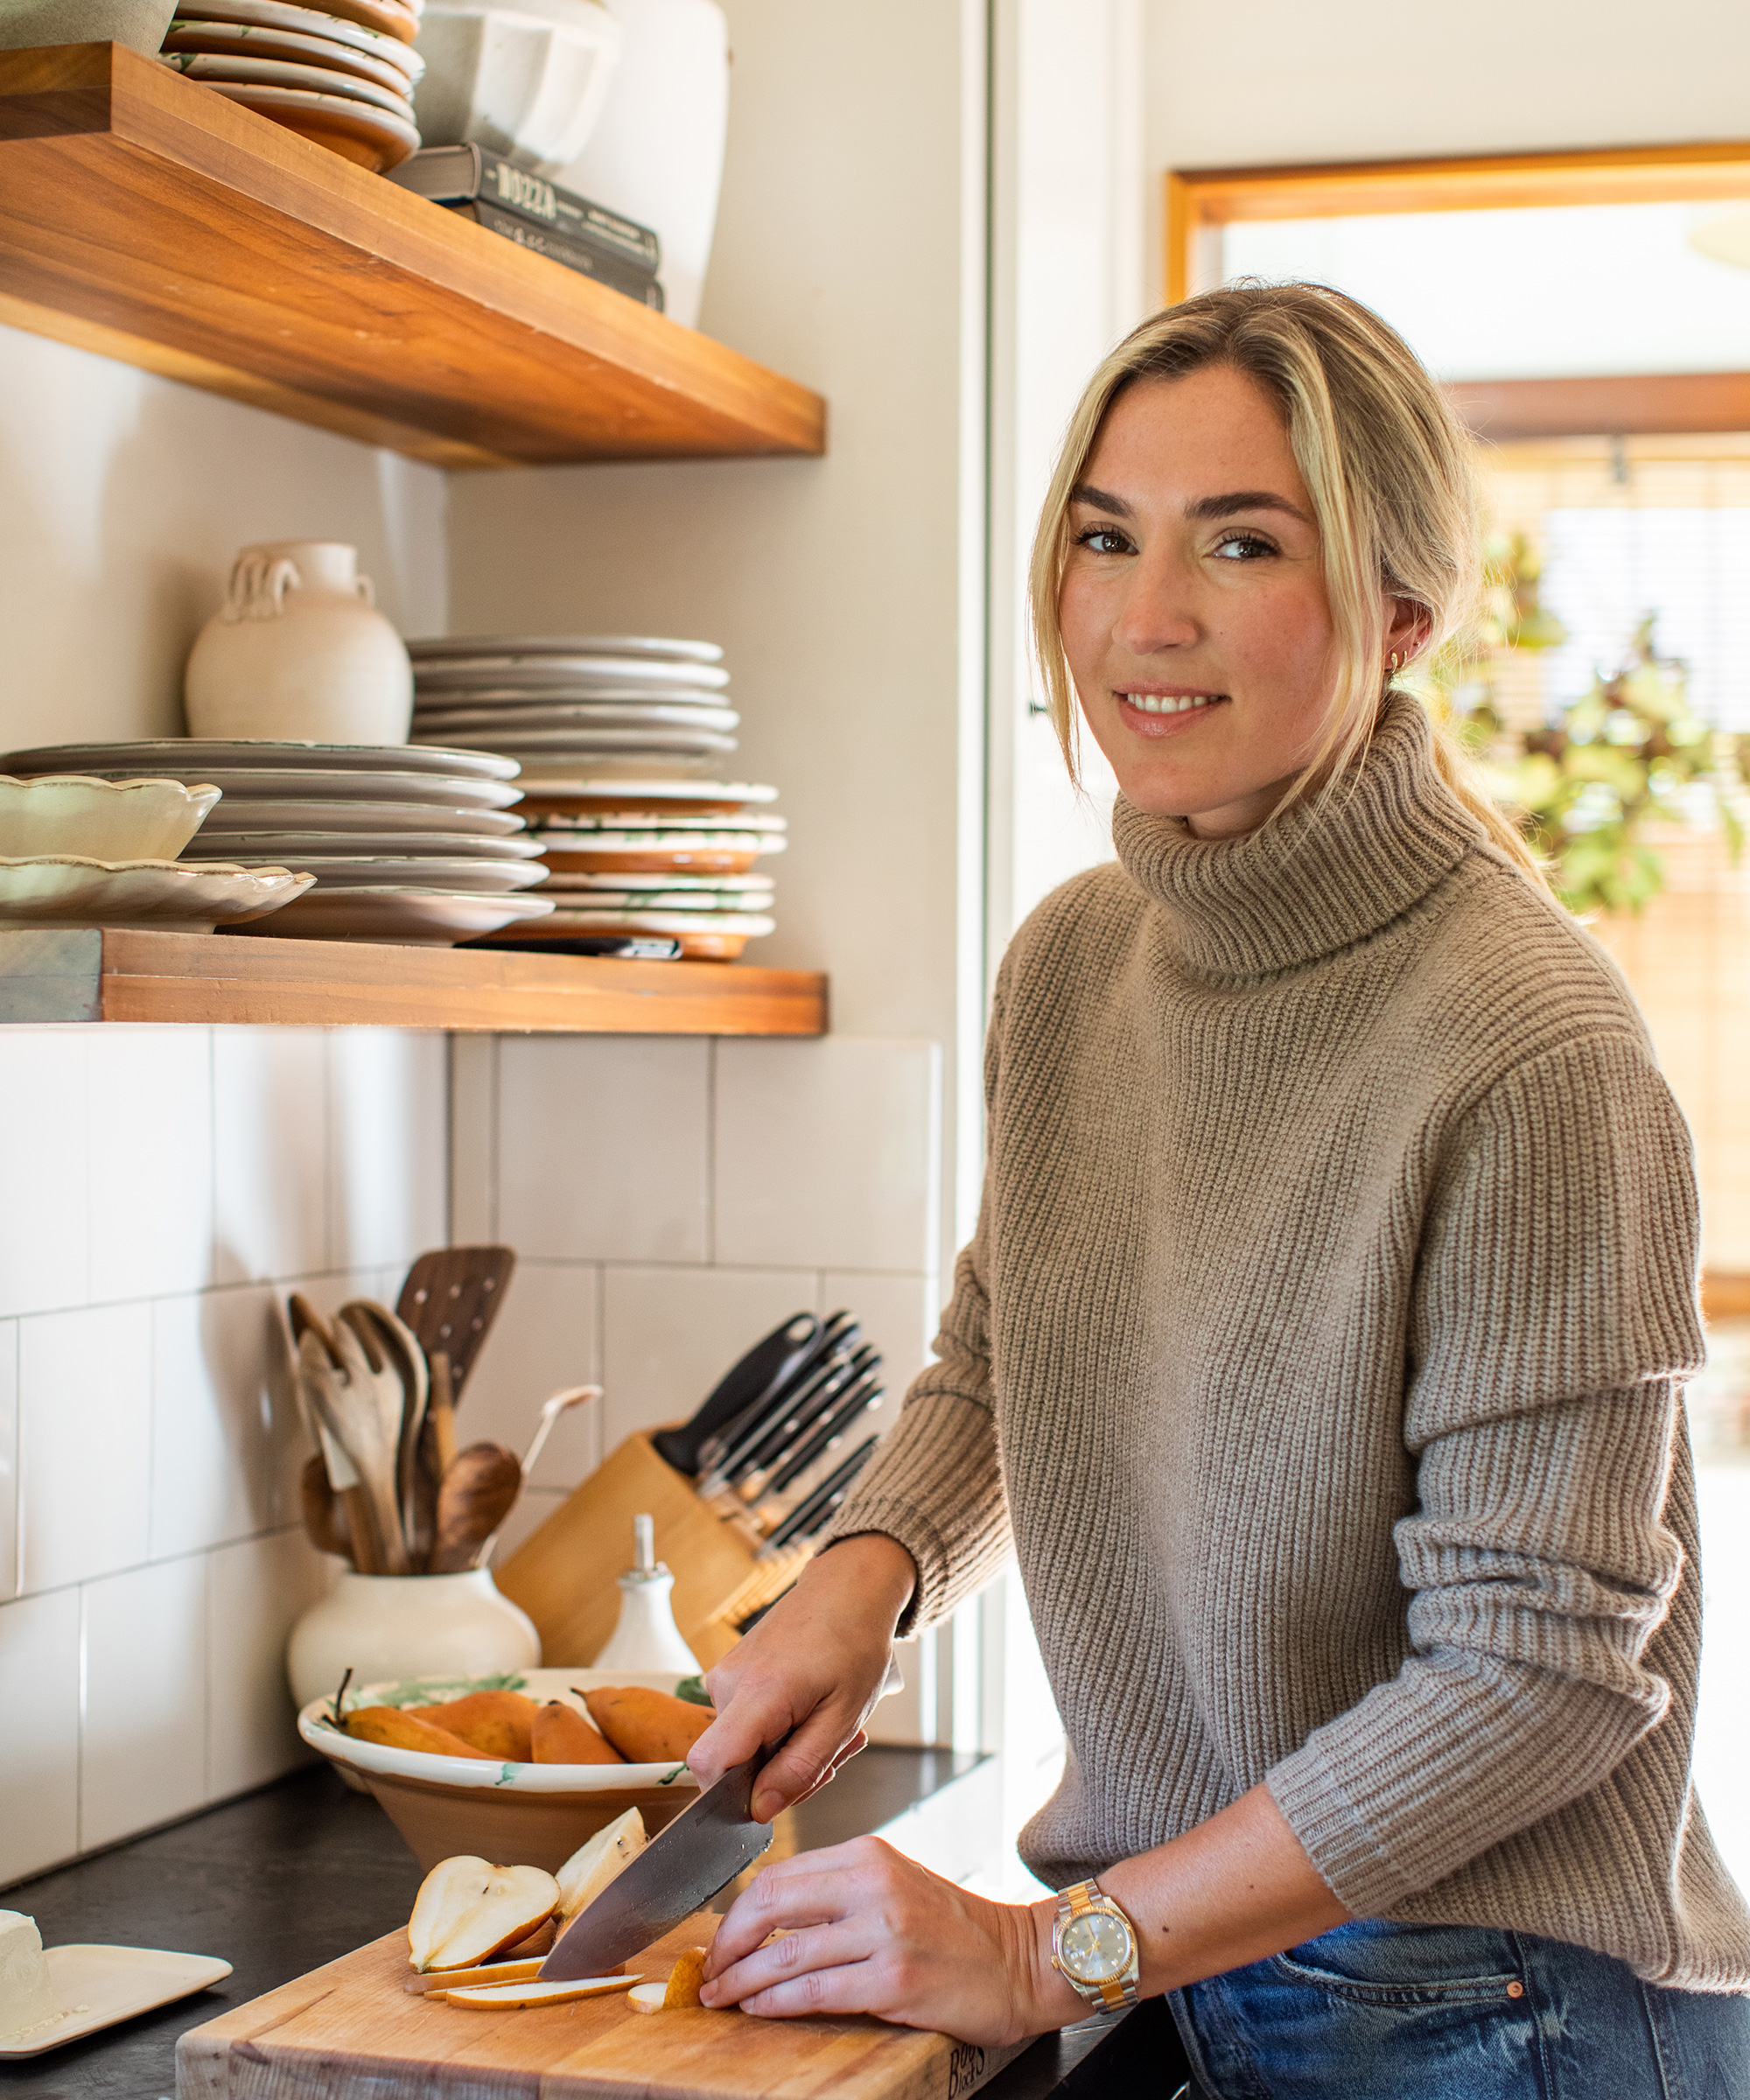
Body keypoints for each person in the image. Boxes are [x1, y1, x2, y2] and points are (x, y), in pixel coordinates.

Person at [686, 282, 1750, 2097]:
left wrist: (1051, 1952)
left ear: (1400, 610)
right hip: (1193, 1960)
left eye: (1240, 542)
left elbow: (1540, 1678)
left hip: (1494, 2014)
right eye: (1104, 537)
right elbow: (1005, 1356)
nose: (1144, 617)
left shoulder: (1529, 1047)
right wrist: (858, 1584)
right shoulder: (1077, 961)